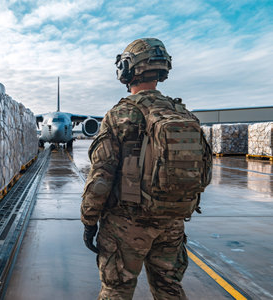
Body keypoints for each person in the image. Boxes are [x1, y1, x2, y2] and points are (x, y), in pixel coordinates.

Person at [80, 38, 212, 299]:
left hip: (127, 224)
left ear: (129, 69)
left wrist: (89, 220)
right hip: (172, 223)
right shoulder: (184, 114)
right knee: (170, 289)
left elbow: (100, 179)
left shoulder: (120, 115)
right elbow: (203, 171)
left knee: (116, 290)